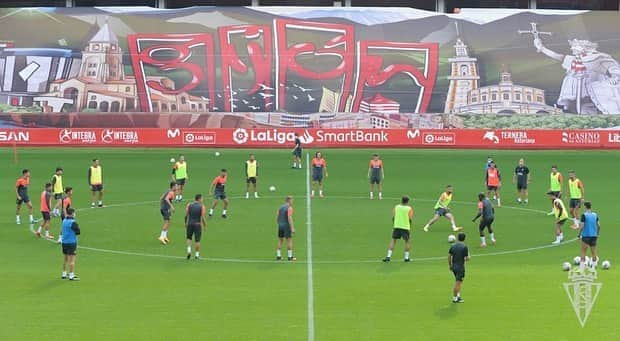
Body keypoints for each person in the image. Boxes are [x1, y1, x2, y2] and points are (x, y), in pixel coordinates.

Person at [383, 196, 414, 262]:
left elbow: (393, 217)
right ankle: (406, 258)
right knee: (407, 242)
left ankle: (388, 257)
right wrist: (409, 227)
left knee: (393, 241)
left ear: (401, 200)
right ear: (407, 201)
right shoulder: (409, 208)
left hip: (397, 226)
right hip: (405, 227)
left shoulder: (396, 207)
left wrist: (394, 225)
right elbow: (410, 219)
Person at [578, 201, 600, 271]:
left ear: (585, 207)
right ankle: (593, 268)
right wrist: (597, 234)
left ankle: (581, 268)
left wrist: (579, 234)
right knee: (593, 252)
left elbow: (582, 226)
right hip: (594, 236)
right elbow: (599, 226)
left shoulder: (584, 215)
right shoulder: (595, 215)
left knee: (583, 252)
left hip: (586, 236)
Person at [448, 232, 470, 303]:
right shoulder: (464, 247)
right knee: (458, 283)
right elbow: (467, 258)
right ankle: (455, 298)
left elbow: (449, 256)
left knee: (458, 282)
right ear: (464, 238)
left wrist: (450, 265)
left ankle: (458, 296)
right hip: (460, 267)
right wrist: (468, 256)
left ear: (458, 238)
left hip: (454, 266)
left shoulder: (453, 246)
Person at [60, 207, 80, 281]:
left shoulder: (64, 220)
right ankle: (71, 275)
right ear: (72, 214)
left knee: (65, 259)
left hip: (64, 242)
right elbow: (78, 232)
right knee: (72, 260)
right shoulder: (73, 222)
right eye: (74, 213)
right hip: (71, 242)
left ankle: (64, 274)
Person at [185, 194, 207, 260]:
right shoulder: (202, 206)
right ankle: (197, 255)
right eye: (202, 198)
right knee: (197, 240)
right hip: (197, 224)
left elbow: (186, 215)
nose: (202, 200)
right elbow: (202, 217)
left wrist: (185, 222)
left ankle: (189, 251)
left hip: (190, 223)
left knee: (189, 238)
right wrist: (205, 225)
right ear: (199, 199)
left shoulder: (189, 205)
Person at [276, 196, 296, 261]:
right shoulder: (289, 208)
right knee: (289, 240)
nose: (293, 201)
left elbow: (277, 216)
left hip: (280, 225)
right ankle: (290, 257)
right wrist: (292, 227)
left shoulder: (280, 207)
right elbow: (289, 217)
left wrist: (279, 223)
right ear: (289, 200)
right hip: (286, 226)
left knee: (280, 240)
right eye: (292, 200)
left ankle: (278, 256)